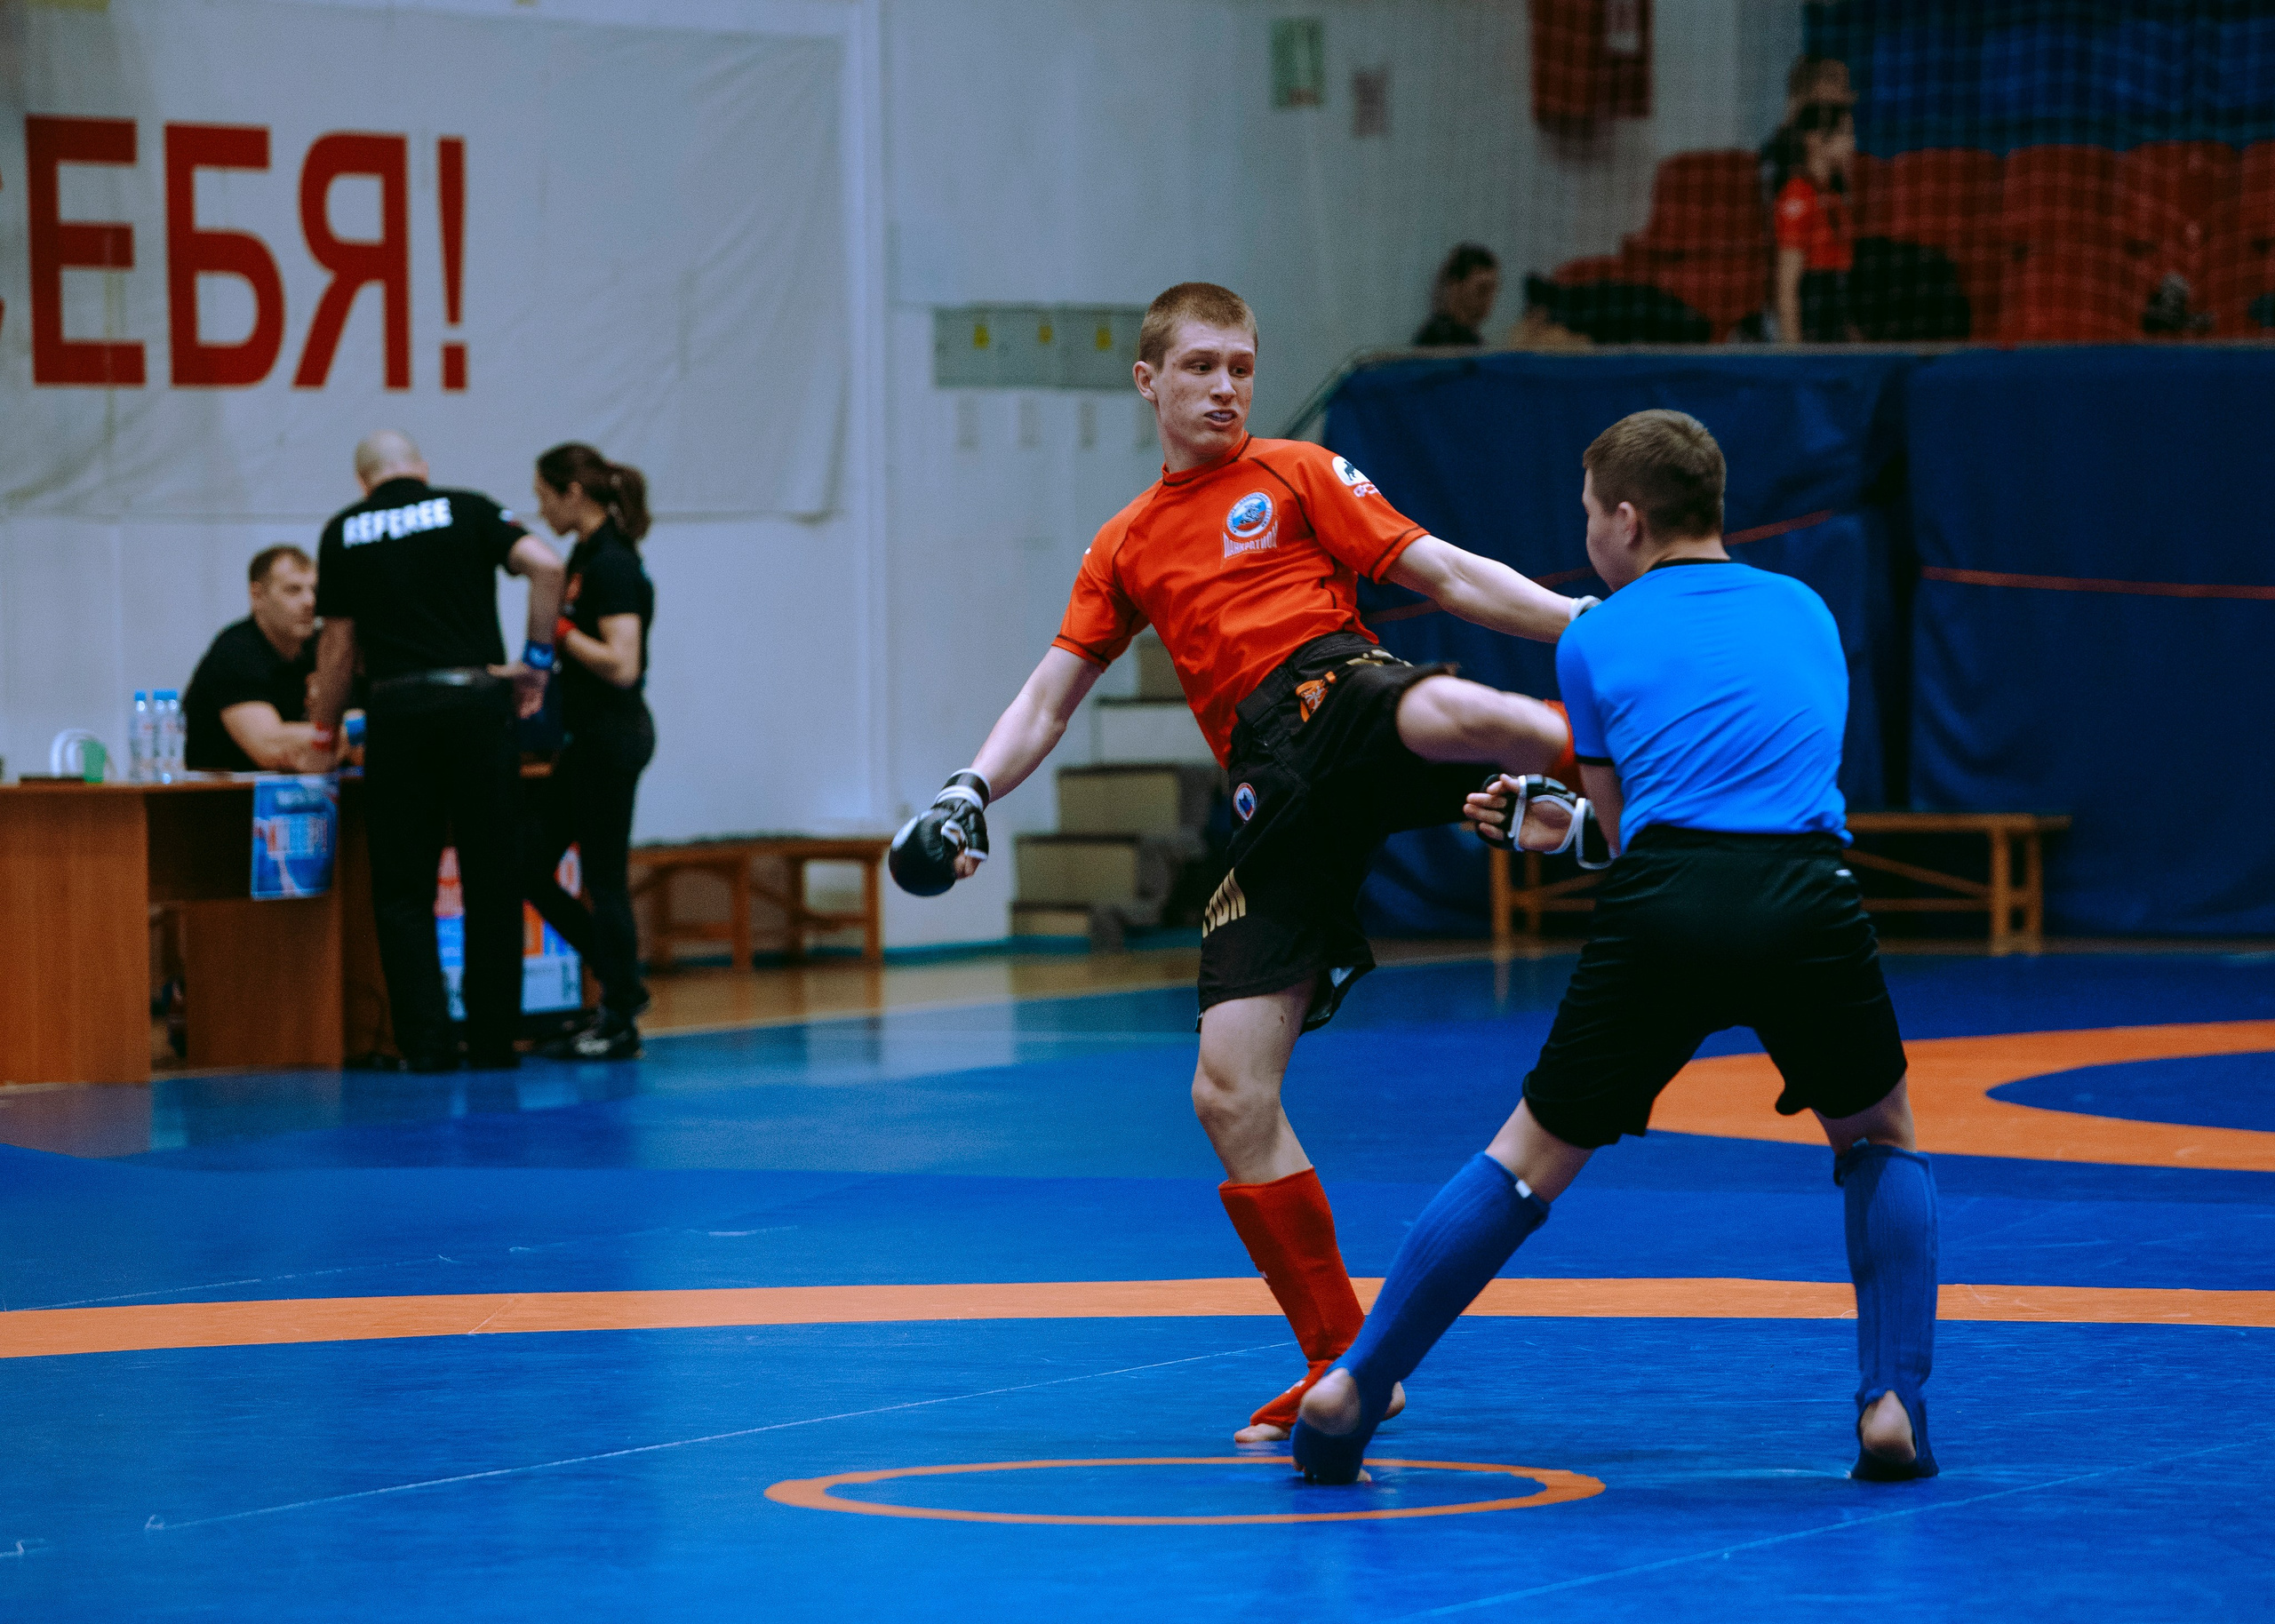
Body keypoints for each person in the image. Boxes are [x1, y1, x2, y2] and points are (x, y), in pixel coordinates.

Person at [891, 282, 1594, 1443]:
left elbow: (1444, 575)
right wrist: (969, 790)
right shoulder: (1123, 544)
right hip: (1275, 793)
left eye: (1243, 367)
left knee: (1467, 717)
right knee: (1228, 1089)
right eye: (1204, 366)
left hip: (1337, 692)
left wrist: (1584, 626)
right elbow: (1051, 696)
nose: (1226, 387)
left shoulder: (1299, 471)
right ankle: (1346, 1363)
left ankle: (1641, 778)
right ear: (1150, 380)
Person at [1290, 410, 1936, 1489]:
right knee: (1879, 1135)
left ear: (1627, 521)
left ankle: (1354, 1382)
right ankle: (1890, 1404)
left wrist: (1557, 824)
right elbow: (1761, 778)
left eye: (1589, 517)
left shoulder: (1594, 637)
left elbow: (1631, 826)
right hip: (1803, 896)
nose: (1585, 536)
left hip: (1661, 907)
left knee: (1528, 1157)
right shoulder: (1810, 609)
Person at [308, 429, 565, 1073]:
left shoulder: (344, 531)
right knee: (493, 879)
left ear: (364, 481)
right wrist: (536, 664)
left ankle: (424, 1045)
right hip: (476, 707)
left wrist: (322, 734)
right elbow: (548, 565)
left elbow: (338, 650)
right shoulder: (468, 507)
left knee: (402, 888)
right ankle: (493, 1042)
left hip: (398, 714)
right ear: (421, 469)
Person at [522, 442, 658, 1063]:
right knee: (525, 864)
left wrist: (564, 632)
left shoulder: (612, 564)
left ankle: (620, 1015)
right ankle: (619, 979)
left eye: (545, 496)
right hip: (583, 740)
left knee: (603, 879)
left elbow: (622, 664)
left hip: (612, 737)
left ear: (572, 492)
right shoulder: (581, 556)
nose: (541, 508)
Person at [184, 545, 336, 773]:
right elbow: (268, 747)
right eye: (293, 590)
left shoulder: (321, 647)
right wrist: (344, 733)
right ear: (258, 596)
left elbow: (359, 739)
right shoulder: (236, 650)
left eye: (314, 590)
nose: (310, 601)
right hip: (219, 799)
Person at [1772, 100, 1860, 344]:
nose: (1851, 144)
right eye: (1844, 134)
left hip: (1836, 308)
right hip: (1814, 312)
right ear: (1814, 141)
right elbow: (1787, 286)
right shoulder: (1798, 194)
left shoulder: (1833, 195)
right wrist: (1793, 353)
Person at [1412, 244, 1500, 347]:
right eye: (1482, 289)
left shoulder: (1473, 340)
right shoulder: (1437, 342)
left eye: (1493, 290)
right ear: (1455, 286)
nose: (1489, 298)